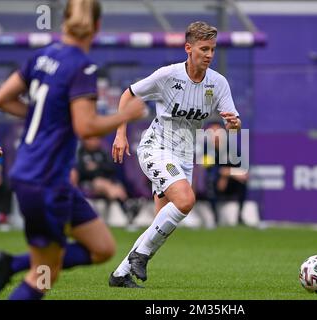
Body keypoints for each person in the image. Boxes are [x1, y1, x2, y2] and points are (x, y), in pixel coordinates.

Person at [0, 0, 145, 300]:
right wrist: (126, 115)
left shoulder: (42, 55)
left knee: (103, 249)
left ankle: (10, 263)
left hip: (42, 178)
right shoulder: (82, 66)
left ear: (64, 23)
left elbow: (1, 100)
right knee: (45, 273)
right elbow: (85, 127)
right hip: (45, 181)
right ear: (97, 27)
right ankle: (14, 267)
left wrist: (46, 119)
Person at [109, 21, 241, 287]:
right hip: (155, 148)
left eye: (213, 49)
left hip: (183, 157)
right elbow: (128, 95)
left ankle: (121, 274)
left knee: (160, 225)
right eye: (204, 49)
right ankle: (140, 256)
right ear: (188, 48)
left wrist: (234, 124)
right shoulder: (168, 76)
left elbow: (233, 121)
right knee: (185, 201)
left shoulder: (218, 83)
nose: (209, 55)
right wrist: (120, 134)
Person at [71, 136, 140, 225]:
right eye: (92, 139)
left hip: (106, 181)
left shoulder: (102, 152)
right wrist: (94, 170)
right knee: (100, 183)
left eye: (97, 138)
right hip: (89, 183)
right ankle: (127, 206)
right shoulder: (81, 152)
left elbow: (111, 168)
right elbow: (79, 171)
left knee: (116, 187)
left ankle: (127, 208)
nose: (95, 141)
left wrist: (95, 167)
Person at [203, 122, 248, 226]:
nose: (215, 135)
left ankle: (239, 217)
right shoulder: (206, 149)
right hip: (215, 182)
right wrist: (225, 173)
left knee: (242, 181)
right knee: (210, 180)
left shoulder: (231, 148)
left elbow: (242, 168)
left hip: (230, 182)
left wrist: (226, 175)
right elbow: (211, 169)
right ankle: (215, 219)